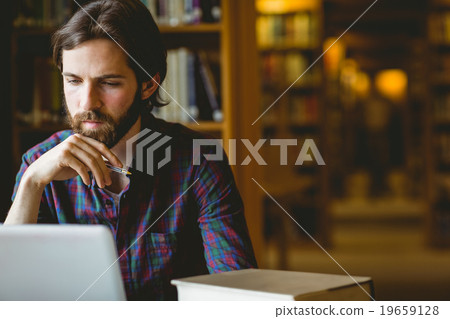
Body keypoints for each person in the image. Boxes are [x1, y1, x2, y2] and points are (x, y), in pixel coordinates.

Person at [5, 0, 257, 300]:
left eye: (108, 83)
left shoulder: (198, 162)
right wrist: (32, 183)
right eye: (73, 81)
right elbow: (11, 291)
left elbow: (237, 291)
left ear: (148, 85)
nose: (86, 103)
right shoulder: (38, 163)